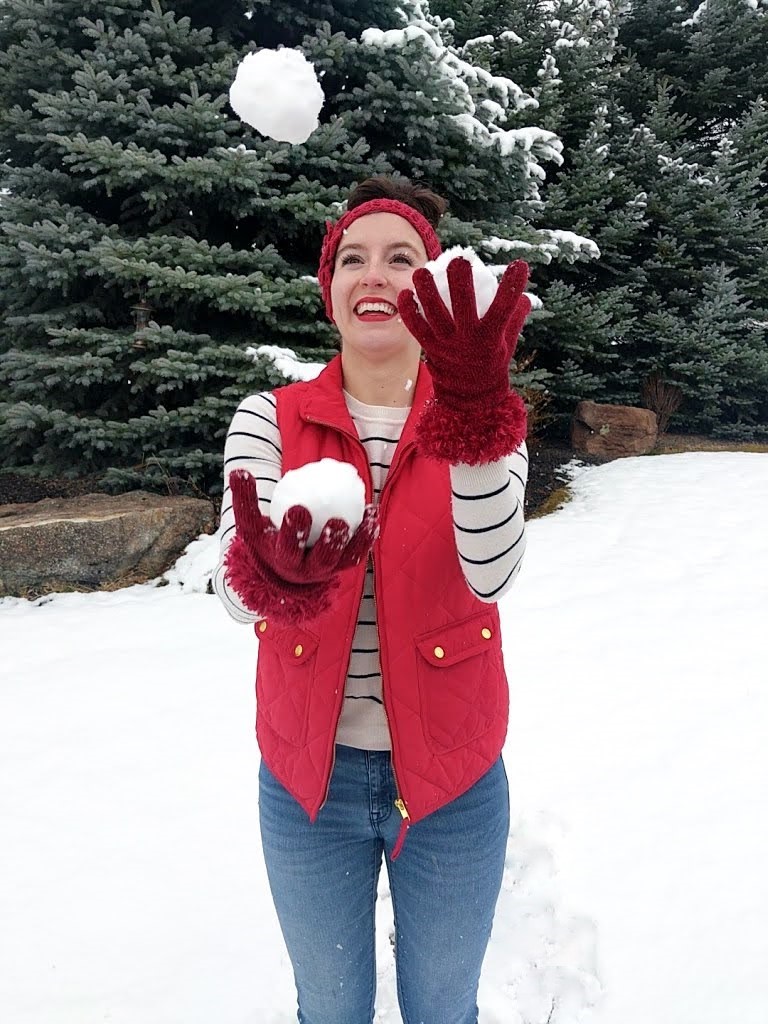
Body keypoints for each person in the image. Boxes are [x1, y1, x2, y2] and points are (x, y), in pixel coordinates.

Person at [213, 175, 531, 1024]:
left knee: (442, 1008)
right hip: (306, 784)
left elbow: (492, 572)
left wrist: (473, 416)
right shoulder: (269, 419)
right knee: (329, 1007)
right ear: (331, 293)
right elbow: (231, 596)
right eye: (353, 259)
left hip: (452, 784)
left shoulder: (488, 415)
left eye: (401, 258)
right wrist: (268, 576)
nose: (374, 274)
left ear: (430, 287)